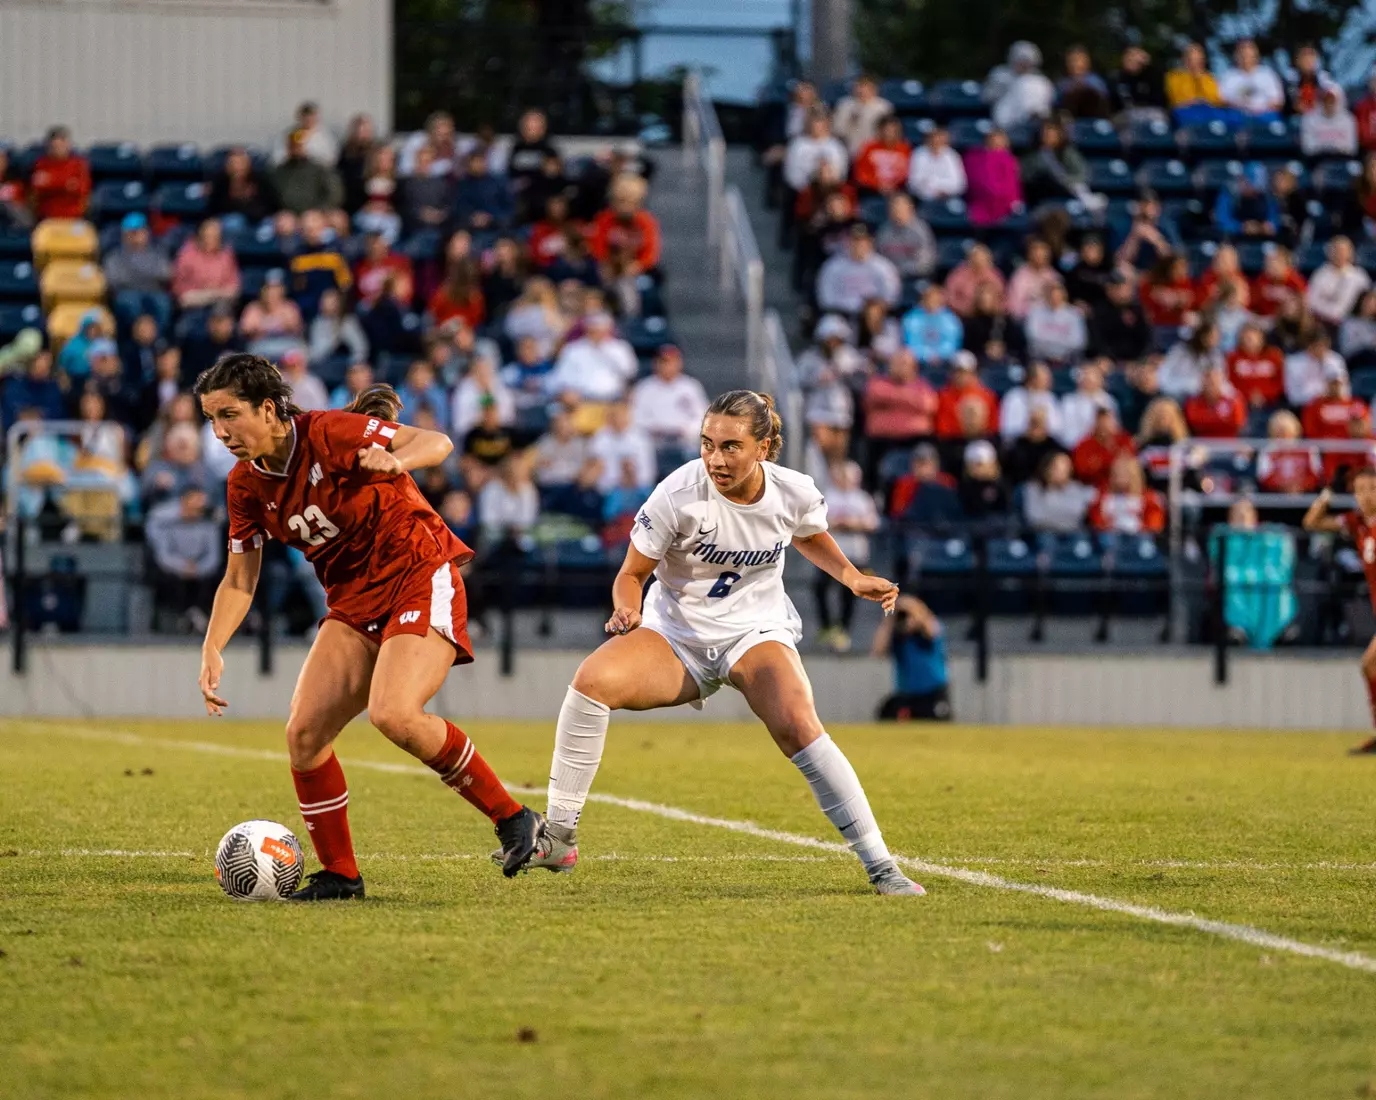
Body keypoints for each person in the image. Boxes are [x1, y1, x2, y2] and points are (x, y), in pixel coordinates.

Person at [514, 389, 922, 895]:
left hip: (754, 631)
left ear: (764, 448)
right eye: (707, 444)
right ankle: (559, 837)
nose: (714, 458)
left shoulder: (794, 490)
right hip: (675, 634)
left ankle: (881, 864)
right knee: (591, 681)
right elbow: (631, 573)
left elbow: (807, 532)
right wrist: (628, 607)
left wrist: (852, 577)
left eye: (730, 446)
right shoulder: (676, 493)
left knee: (798, 724)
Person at [194, 355, 544, 898]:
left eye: (229, 415)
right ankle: (341, 875)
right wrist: (213, 645)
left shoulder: (329, 431)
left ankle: (514, 818)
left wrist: (397, 462)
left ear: (268, 410)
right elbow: (240, 579)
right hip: (355, 603)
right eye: (211, 419)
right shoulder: (244, 486)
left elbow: (437, 442)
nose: (220, 432)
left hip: (418, 574)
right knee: (304, 736)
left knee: (394, 713)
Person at [1302, 468, 1376, 752]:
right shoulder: (1357, 523)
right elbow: (1311, 522)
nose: (1367, 495)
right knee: (1370, 666)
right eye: (1360, 490)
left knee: (1370, 664)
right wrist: (1329, 493)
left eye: (1372, 488)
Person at [146, 486, 221, 634]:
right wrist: (182, 567)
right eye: (195, 503)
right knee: (168, 580)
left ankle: (199, 617)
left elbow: (213, 556)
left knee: (216, 579)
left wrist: (198, 569)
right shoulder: (167, 523)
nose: (199, 507)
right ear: (183, 502)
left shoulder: (209, 524)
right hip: (174, 569)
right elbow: (164, 555)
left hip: (201, 569)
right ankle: (181, 619)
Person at [104, 213, 173, 335]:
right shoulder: (115, 256)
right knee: (130, 302)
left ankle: (157, 339)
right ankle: (137, 339)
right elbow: (115, 280)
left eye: (138, 232)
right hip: (127, 293)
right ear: (124, 235)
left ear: (146, 233)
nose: (135, 236)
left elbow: (165, 274)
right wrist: (148, 275)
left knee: (163, 303)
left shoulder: (158, 253)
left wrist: (134, 273)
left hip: (154, 292)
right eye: (131, 233)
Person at [1088, 453, 1165, 534]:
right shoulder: (1103, 495)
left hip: (1138, 535)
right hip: (1111, 535)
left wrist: (1141, 527)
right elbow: (1096, 519)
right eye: (1117, 471)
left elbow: (1155, 522)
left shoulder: (1148, 496)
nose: (1120, 475)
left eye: (1125, 471)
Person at [987, 41, 1056, 130]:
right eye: (1020, 60)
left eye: (1027, 61)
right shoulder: (1000, 75)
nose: (1023, 64)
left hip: (1034, 125)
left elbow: (1049, 103)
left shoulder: (1041, 82)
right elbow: (988, 97)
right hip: (1004, 122)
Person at [962, 127, 1023, 228]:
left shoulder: (1009, 160)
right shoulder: (973, 157)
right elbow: (974, 181)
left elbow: (1012, 185)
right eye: (993, 139)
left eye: (1000, 141)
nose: (996, 143)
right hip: (978, 204)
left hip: (1004, 205)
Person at [29, 126, 91, 221]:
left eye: (61, 145)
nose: (58, 149)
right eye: (55, 146)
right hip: (47, 218)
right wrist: (66, 183)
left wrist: (50, 181)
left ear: (68, 145)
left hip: (74, 218)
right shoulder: (41, 164)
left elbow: (82, 190)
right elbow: (37, 190)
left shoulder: (78, 164)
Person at [1308, 236, 1371, 329]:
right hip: (1321, 322)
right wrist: (1330, 314)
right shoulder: (1320, 274)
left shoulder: (1360, 276)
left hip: (1352, 324)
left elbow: (1367, 304)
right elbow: (1311, 301)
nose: (1340, 253)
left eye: (1344, 250)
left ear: (1351, 252)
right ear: (1329, 252)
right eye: (1336, 249)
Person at [874, 193, 936, 281]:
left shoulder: (921, 230)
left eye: (900, 206)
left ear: (910, 208)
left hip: (914, 278)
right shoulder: (884, 230)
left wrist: (903, 270)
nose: (896, 210)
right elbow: (878, 258)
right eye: (893, 206)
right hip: (888, 277)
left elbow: (926, 262)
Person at [1218, 39, 1285, 121]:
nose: (1245, 55)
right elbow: (1222, 101)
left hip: (1264, 117)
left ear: (1256, 54)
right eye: (1242, 51)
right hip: (1238, 117)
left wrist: (1258, 110)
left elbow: (1277, 102)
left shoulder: (1268, 74)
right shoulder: (1228, 76)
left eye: (1249, 51)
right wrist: (1243, 108)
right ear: (1236, 55)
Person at [1165, 42, 1226, 125]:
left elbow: (1216, 100)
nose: (1194, 63)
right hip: (1185, 111)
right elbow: (1176, 100)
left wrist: (1199, 78)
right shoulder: (1174, 77)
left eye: (1197, 59)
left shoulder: (1208, 78)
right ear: (1184, 59)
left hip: (1208, 111)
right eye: (1190, 59)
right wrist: (1194, 101)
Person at [832, 74, 893, 156]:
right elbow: (837, 130)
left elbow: (888, 132)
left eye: (865, 86)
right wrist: (851, 121)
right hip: (849, 151)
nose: (861, 90)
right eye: (859, 86)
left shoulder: (883, 107)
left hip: (874, 152)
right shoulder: (844, 105)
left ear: (874, 89)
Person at [853, 115, 912, 198]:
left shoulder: (905, 149)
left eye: (893, 131)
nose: (889, 134)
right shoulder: (869, 148)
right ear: (880, 131)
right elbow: (861, 172)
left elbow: (907, 172)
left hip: (898, 189)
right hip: (872, 190)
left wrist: (893, 184)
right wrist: (877, 184)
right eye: (887, 130)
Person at [907, 127, 966, 203]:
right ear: (928, 139)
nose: (936, 141)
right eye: (934, 138)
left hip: (947, 198)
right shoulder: (919, 154)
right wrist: (932, 191)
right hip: (923, 199)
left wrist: (940, 188)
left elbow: (959, 184)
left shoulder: (952, 156)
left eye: (940, 139)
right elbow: (914, 182)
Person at [1058, 44, 1112, 118]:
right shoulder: (1063, 84)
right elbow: (1057, 104)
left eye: (1078, 60)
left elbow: (1104, 102)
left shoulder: (1096, 81)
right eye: (1071, 60)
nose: (1075, 64)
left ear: (1087, 61)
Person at [1302, 88, 1358, 158]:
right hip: (1317, 160)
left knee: (1353, 167)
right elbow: (1308, 148)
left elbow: (1351, 148)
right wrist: (1329, 148)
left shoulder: (1348, 119)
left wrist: (1333, 149)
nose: (1329, 104)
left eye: (1332, 101)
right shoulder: (1310, 119)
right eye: (1326, 100)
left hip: (1342, 159)